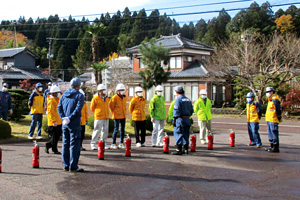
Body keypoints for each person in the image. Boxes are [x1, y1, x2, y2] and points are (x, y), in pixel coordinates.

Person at [58, 77, 85, 172]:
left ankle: (66, 164)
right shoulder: (80, 96)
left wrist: (64, 118)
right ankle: (73, 165)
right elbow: (78, 110)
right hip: (74, 123)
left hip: (65, 123)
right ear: (79, 85)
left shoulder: (63, 95)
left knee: (65, 143)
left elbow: (59, 108)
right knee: (74, 144)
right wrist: (70, 118)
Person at [172, 86, 193, 155]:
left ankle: (179, 149)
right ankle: (186, 148)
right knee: (186, 133)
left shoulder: (178, 100)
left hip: (180, 119)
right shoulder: (188, 99)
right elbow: (191, 110)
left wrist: (174, 119)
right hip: (187, 118)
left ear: (176, 92)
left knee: (178, 133)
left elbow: (176, 110)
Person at [90, 84, 110, 150]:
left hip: (106, 116)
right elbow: (92, 108)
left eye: (105, 90)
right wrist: (97, 112)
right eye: (103, 90)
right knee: (97, 130)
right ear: (99, 91)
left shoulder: (107, 98)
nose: (104, 91)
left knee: (105, 131)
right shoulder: (95, 98)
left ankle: (104, 143)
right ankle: (93, 144)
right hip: (98, 117)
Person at [45, 85, 62, 154]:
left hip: (58, 121)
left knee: (56, 136)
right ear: (54, 93)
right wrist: (54, 121)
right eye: (57, 92)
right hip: (54, 122)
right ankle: (50, 146)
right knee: (55, 136)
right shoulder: (51, 101)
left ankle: (53, 148)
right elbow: (51, 112)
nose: (58, 93)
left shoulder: (56, 99)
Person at [109, 83, 127, 149]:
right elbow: (111, 106)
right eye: (121, 90)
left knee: (123, 129)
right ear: (117, 91)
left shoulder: (124, 98)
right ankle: (113, 142)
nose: (122, 91)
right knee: (116, 129)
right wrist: (114, 113)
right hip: (116, 116)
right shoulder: (114, 98)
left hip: (123, 115)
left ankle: (121, 142)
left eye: (123, 90)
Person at [265, 87, 282, 153]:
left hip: (273, 119)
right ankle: (272, 146)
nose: (267, 94)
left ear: (272, 92)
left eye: (268, 92)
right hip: (269, 119)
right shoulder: (270, 100)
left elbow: (278, 110)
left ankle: (275, 147)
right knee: (270, 133)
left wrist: (279, 117)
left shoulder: (275, 100)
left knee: (274, 133)